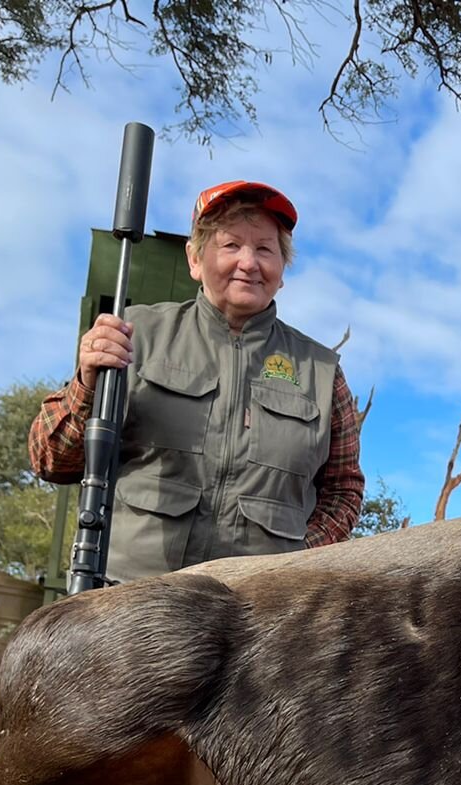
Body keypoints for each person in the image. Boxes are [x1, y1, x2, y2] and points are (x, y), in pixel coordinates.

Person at [29, 180, 364, 583]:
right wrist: (86, 386)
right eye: (231, 245)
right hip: (129, 606)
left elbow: (344, 491)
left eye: (264, 248)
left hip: (258, 619)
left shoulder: (322, 371)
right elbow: (50, 458)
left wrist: (295, 564)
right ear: (195, 259)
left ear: (281, 270)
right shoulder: (135, 334)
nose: (249, 262)